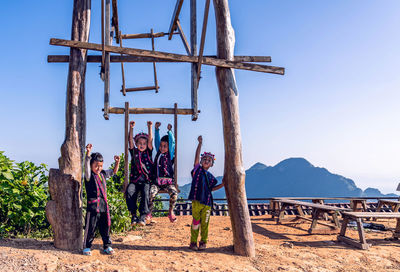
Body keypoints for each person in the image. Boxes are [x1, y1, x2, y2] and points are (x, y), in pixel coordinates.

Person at [83, 143, 120, 256]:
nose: (98, 168)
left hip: (104, 207)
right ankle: (87, 247)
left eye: (100, 166)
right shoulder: (89, 176)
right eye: (96, 166)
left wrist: (117, 162)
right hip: (93, 207)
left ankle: (107, 246)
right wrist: (88, 153)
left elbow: (113, 172)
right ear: (91, 165)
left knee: (105, 227)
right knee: (91, 228)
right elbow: (86, 165)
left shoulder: (103, 174)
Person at [188, 136, 224, 251]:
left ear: (212, 164)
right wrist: (200, 144)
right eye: (204, 159)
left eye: (209, 160)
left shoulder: (211, 178)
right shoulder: (197, 170)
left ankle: (203, 242)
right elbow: (196, 158)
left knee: (205, 224)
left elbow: (212, 189)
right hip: (196, 201)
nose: (206, 161)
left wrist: (223, 185)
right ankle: (193, 242)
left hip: (207, 203)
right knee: (195, 222)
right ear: (201, 161)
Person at [148, 122, 178, 223]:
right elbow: (156, 141)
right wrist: (156, 130)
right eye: (161, 146)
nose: (162, 148)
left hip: (168, 183)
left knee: (174, 194)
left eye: (165, 146)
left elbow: (172, 142)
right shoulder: (158, 153)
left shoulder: (170, 154)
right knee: (151, 194)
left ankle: (170, 211)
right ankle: (149, 213)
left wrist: (169, 131)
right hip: (156, 182)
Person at [126, 121, 154, 226]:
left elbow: (150, 140)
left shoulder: (149, 152)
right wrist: (131, 128)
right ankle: (134, 215)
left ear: (147, 145)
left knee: (146, 193)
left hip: (146, 181)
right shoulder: (134, 152)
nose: (142, 145)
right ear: (137, 144)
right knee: (129, 192)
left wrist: (149, 127)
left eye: (144, 143)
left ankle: (143, 216)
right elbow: (130, 141)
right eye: (140, 143)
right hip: (135, 180)